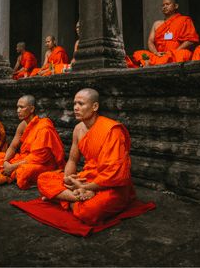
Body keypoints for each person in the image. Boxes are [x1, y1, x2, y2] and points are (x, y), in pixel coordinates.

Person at [37, 88, 135, 225]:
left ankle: (64, 198)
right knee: (43, 178)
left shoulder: (112, 130)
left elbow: (115, 174)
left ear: (95, 106)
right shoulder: (78, 129)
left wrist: (88, 188)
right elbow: (72, 159)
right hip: (86, 178)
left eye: (81, 104)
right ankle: (76, 198)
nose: (76, 108)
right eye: (74, 104)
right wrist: (68, 180)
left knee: (89, 212)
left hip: (109, 184)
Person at [0, 95, 65, 191]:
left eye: (21, 107)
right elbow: (13, 146)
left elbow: (38, 157)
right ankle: (7, 171)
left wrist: (12, 166)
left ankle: (8, 173)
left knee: (24, 171)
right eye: (17, 107)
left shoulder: (44, 127)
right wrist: (6, 161)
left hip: (40, 162)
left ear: (31, 109)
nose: (18, 110)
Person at [133, 0, 200, 66]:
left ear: (176, 6)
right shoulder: (157, 24)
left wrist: (174, 52)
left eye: (167, 4)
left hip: (176, 53)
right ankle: (156, 61)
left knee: (182, 54)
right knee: (139, 53)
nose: (164, 7)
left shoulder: (184, 20)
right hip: (160, 54)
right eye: (163, 5)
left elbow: (190, 40)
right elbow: (150, 41)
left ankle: (152, 63)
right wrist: (156, 53)